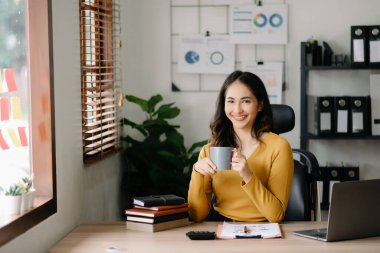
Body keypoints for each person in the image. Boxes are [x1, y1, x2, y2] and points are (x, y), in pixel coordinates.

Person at [188, 70, 293, 223]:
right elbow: (197, 215)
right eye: (230, 101)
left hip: (265, 233)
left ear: (260, 105)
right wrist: (197, 172)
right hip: (222, 230)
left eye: (246, 101)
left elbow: (275, 215)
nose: (237, 110)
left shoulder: (279, 147)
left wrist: (248, 175)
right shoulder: (210, 150)